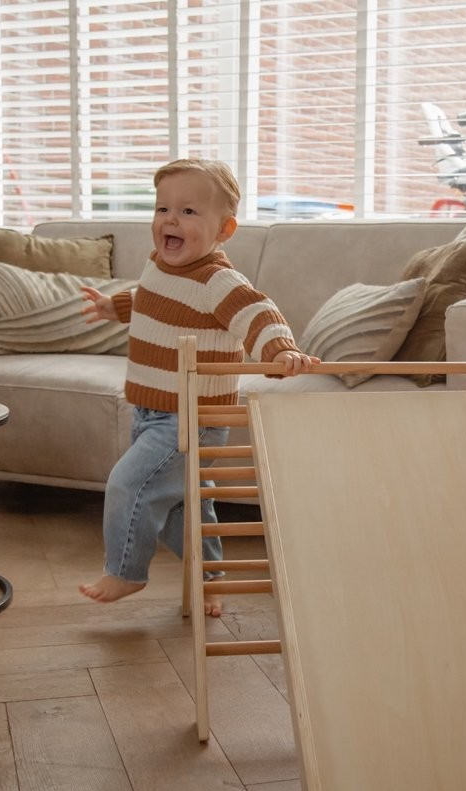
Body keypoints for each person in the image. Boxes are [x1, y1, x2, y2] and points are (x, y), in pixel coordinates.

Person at [78, 158, 318, 615]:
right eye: (162, 208)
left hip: (191, 419)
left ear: (224, 229)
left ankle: (125, 573)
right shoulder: (160, 265)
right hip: (152, 413)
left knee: (128, 486)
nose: (170, 219)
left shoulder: (218, 280)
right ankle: (211, 582)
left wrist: (280, 349)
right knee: (181, 510)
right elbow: (154, 300)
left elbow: (258, 314)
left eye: (188, 212)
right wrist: (117, 306)